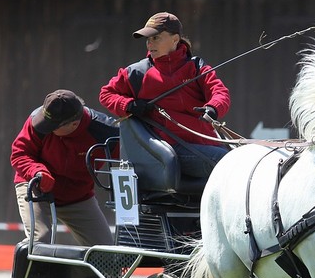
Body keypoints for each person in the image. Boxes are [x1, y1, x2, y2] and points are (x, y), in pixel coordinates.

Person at [99, 11, 231, 178]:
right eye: (148, 39)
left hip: (206, 142)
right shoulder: (137, 72)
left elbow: (220, 92)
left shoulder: (196, 67)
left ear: (175, 39)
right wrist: (129, 105)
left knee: (243, 159)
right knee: (226, 162)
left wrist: (213, 108)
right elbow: (106, 94)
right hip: (168, 149)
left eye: (156, 38)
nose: (149, 43)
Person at [10, 89, 118, 247]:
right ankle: (27, 262)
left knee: (105, 251)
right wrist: (36, 171)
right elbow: (20, 154)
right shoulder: (37, 120)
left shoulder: (105, 131)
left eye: (53, 126)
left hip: (78, 196)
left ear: (74, 123)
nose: (46, 128)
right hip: (36, 187)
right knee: (40, 241)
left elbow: (131, 158)